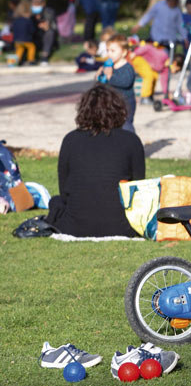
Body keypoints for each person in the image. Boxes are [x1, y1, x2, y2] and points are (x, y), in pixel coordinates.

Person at [44, 84, 145, 238]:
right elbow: (139, 187)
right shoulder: (131, 140)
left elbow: (64, 191)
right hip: (124, 226)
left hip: (74, 226)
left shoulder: (71, 140)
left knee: (56, 203)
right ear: (119, 110)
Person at [97, 34, 137, 132]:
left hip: (126, 102)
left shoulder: (127, 68)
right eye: (108, 50)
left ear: (123, 52)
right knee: (111, 124)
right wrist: (101, 75)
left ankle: (131, 143)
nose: (109, 54)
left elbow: (125, 83)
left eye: (113, 51)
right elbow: (103, 83)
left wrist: (110, 76)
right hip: (111, 102)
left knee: (125, 124)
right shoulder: (109, 66)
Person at [130, 41, 170, 105]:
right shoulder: (162, 55)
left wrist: (166, 93)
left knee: (155, 76)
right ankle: (145, 97)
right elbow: (148, 47)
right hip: (138, 58)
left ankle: (150, 95)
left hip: (147, 64)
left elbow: (164, 80)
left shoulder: (165, 67)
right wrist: (135, 53)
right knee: (149, 76)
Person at [29, 0, 58, 65]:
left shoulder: (49, 12)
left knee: (50, 32)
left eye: (38, 3)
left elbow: (54, 28)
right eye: (34, 3)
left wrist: (47, 26)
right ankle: (27, 57)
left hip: (45, 37)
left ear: (43, 3)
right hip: (33, 37)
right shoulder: (28, 12)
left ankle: (44, 56)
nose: (35, 5)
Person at [11, 0, 37, 65]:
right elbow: (32, 30)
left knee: (19, 50)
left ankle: (16, 61)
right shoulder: (28, 21)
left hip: (16, 40)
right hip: (26, 39)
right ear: (28, 12)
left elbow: (12, 29)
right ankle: (31, 60)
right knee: (32, 47)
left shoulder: (16, 21)